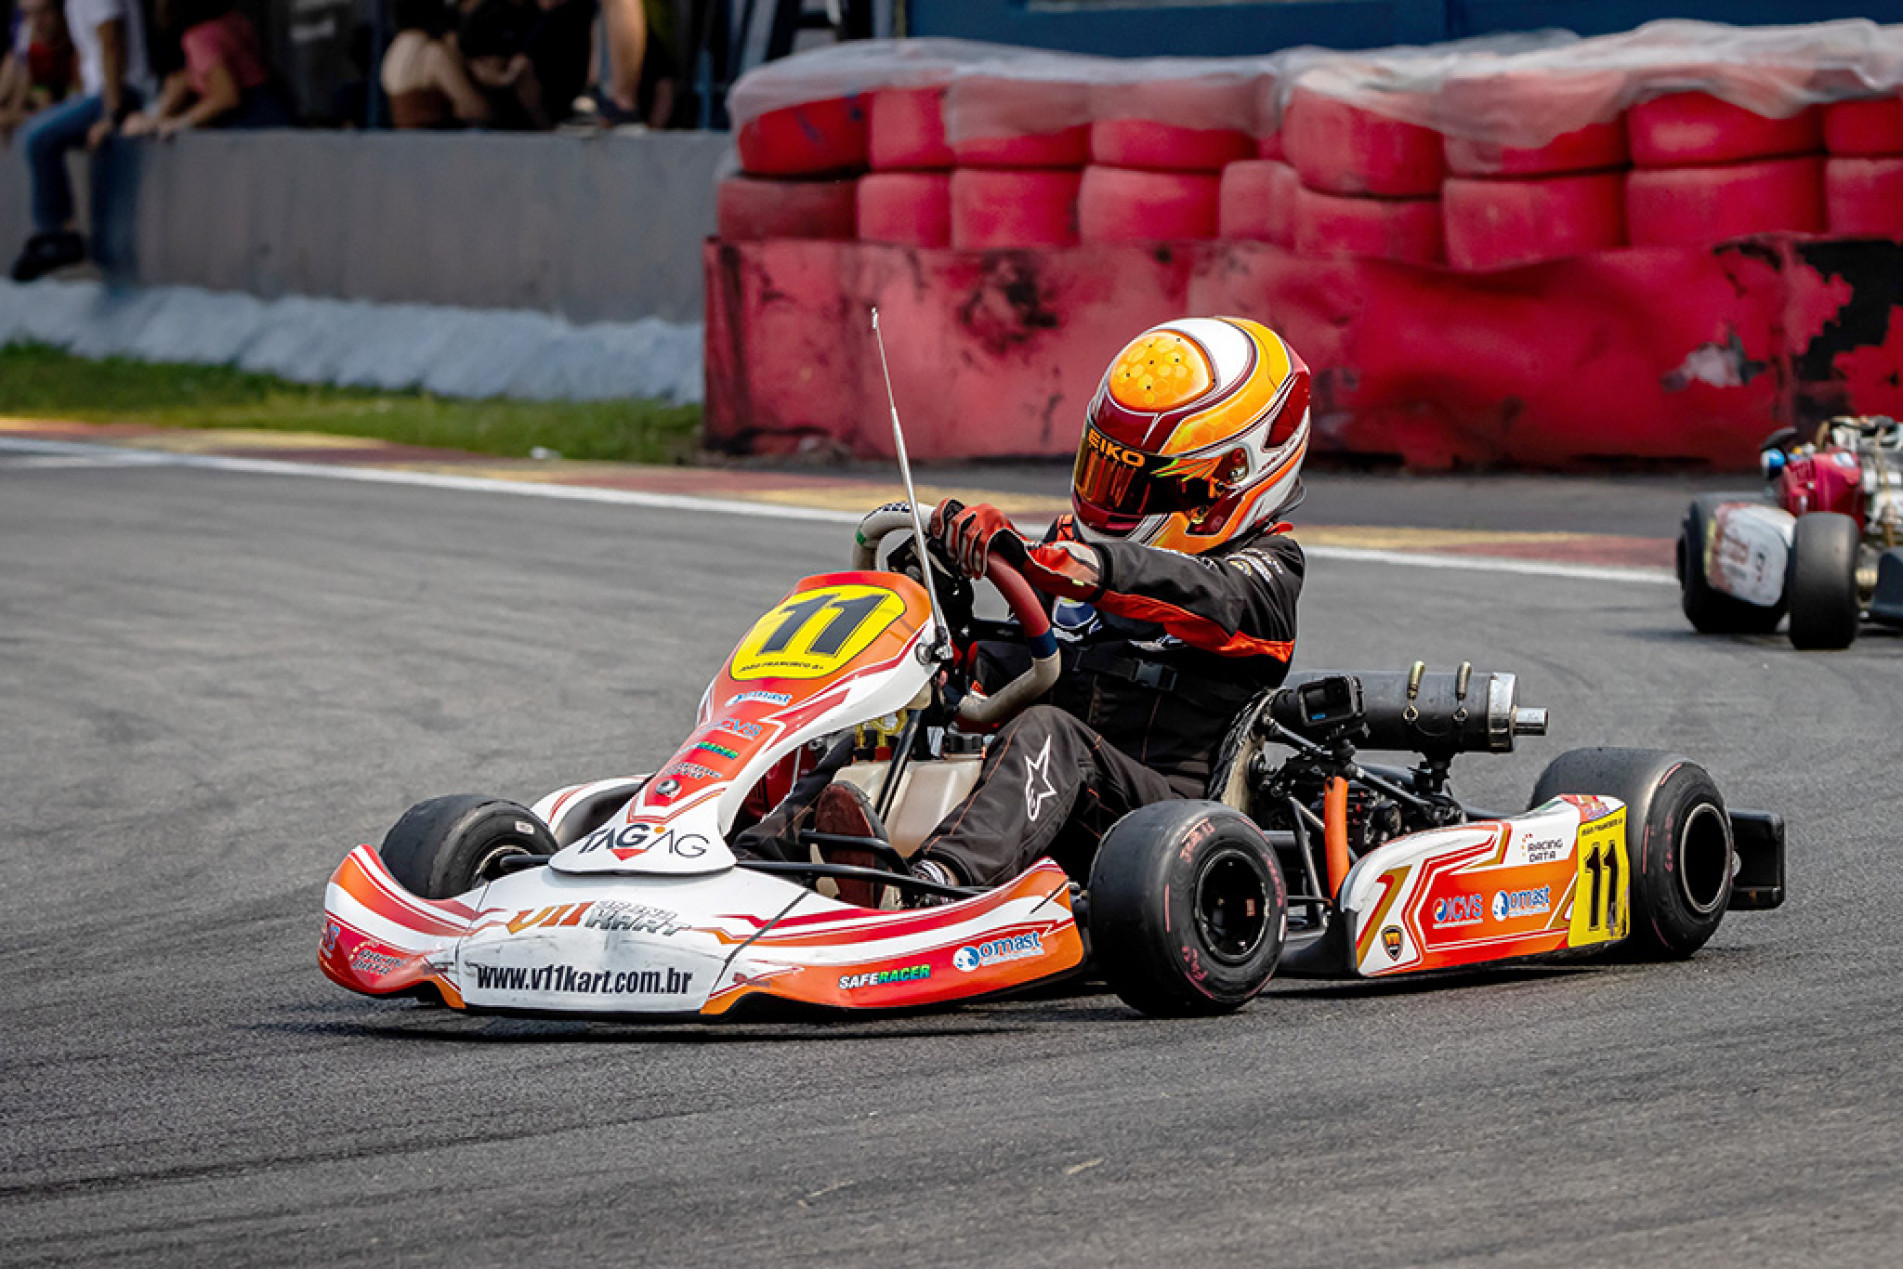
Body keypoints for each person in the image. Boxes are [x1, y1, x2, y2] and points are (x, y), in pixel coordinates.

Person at [743, 317, 1309, 900]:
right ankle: (751, 861)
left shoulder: (1266, 572)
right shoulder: (1070, 547)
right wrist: (943, 616)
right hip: (1035, 802)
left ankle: (929, 890)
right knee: (900, 708)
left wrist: (1058, 564)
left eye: (1137, 487)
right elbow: (1007, 669)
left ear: (1231, 475)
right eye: (1105, 472)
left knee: (1050, 732)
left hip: (1160, 827)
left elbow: (1191, 590)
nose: (1111, 502)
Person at [8, 0, 152, 281]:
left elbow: (111, 40)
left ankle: (57, 234)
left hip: (120, 93)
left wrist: (113, 114)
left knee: (38, 138)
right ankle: (56, 231)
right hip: (99, 95)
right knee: (36, 132)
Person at [121, 0, 288, 138]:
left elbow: (226, 96)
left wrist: (180, 123)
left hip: (259, 124)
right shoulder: (229, 20)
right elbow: (183, 80)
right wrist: (154, 118)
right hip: (275, 113)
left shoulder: (200, 36)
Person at [380, 0, 489, 129]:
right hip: (434, 141)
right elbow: (474, 107)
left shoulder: (396, 49)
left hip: (406, 140)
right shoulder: (431, 52)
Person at [0, 0, 76, 141]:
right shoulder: (25, 57)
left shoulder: (80, 52)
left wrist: (15, 117)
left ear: (62, 12)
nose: (37, 22)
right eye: (28, 15)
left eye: (44, 12)